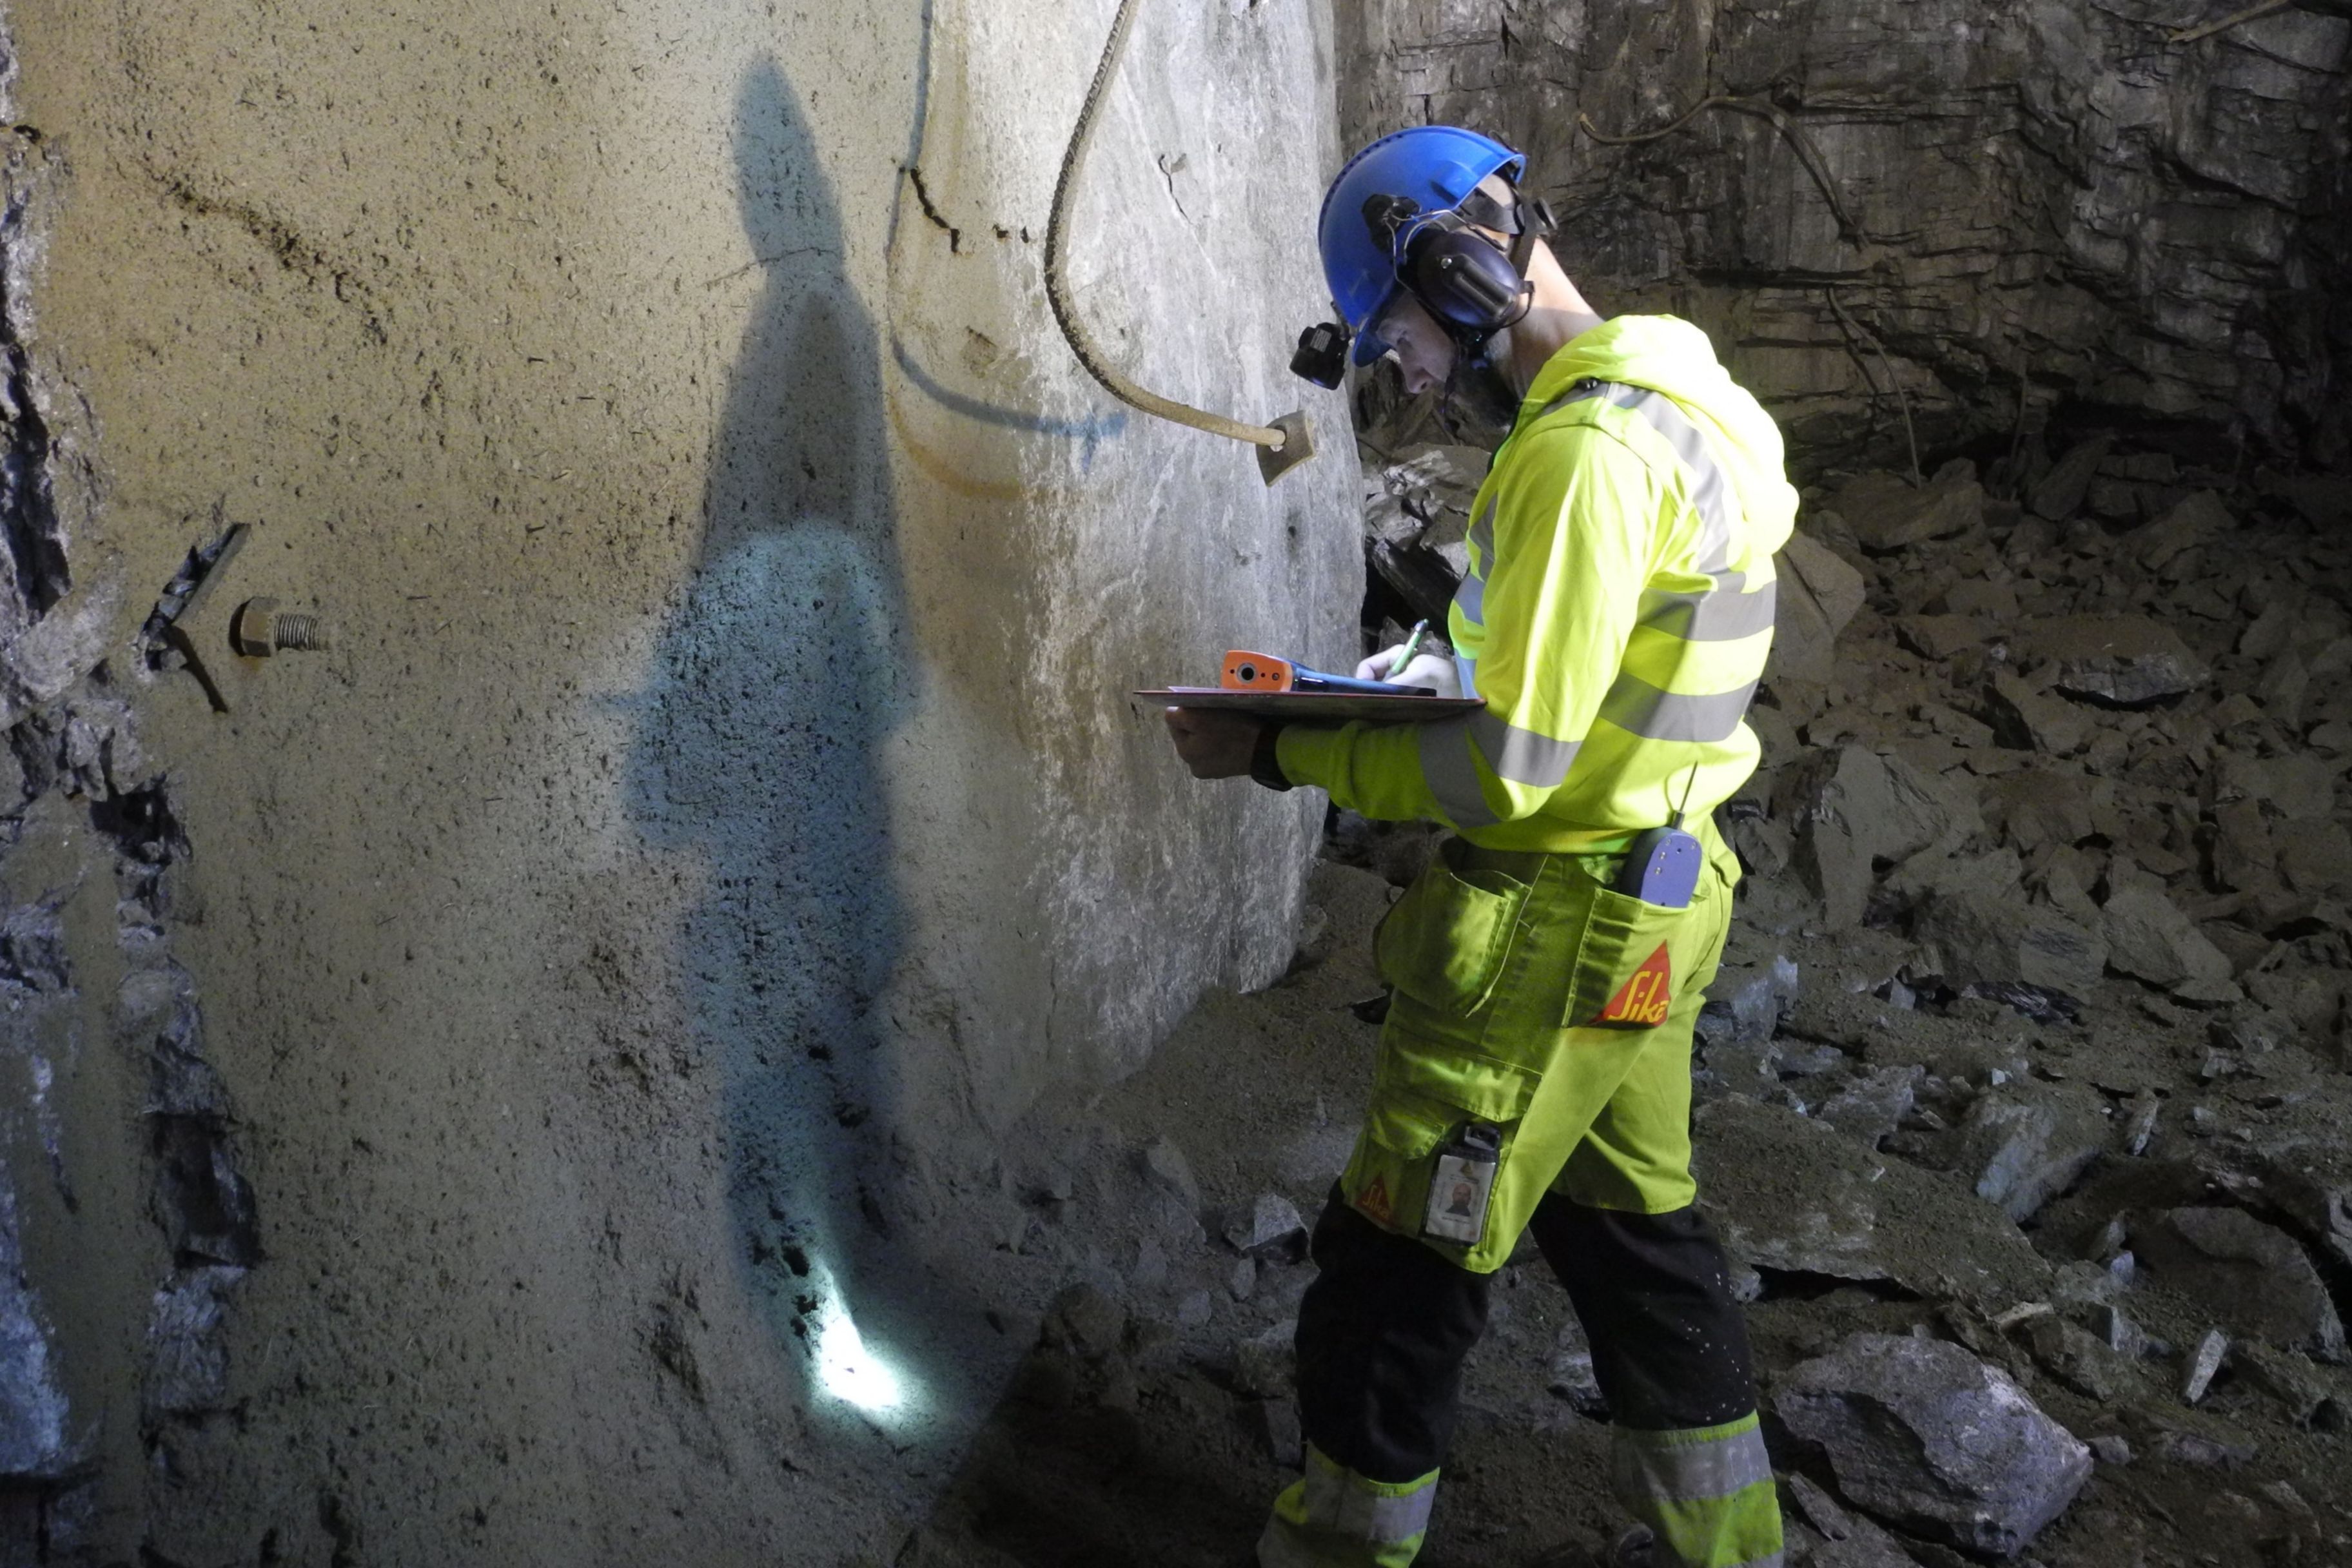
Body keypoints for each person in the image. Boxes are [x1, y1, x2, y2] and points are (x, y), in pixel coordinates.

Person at [1163, 126, 1794, 1568]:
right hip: (1664, 896)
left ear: (1456, 269)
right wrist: (1410, 680)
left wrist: (1285, 742)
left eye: (1404, 339)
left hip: (1555, 925)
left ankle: (1339, 1546)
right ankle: (1739, 1546)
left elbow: (1514, 768)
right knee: (1633, 1236)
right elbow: (1580, 676)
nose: (1417, 381)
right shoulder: (1683, 387)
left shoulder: (1578, 457)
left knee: (1399, 1256)